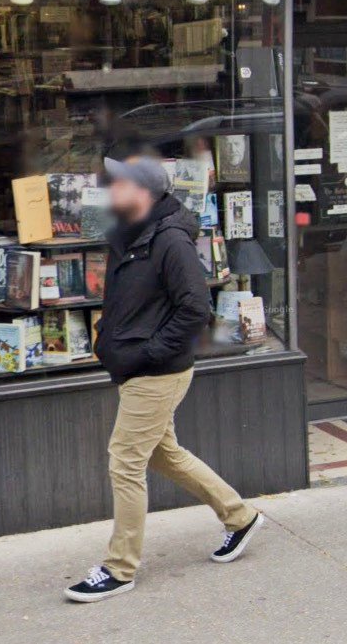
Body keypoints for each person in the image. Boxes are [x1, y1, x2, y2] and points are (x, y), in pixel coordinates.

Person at [66, 155, 262, 603]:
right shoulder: (132, 234)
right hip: (137, 366)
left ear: (143, 194)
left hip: (156, 371)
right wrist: (106, 338)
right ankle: (240, 516)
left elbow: (196, 308)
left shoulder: (170, 241)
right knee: (163, 454)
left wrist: (148, 351)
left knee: (125, 461)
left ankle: (119, 568)